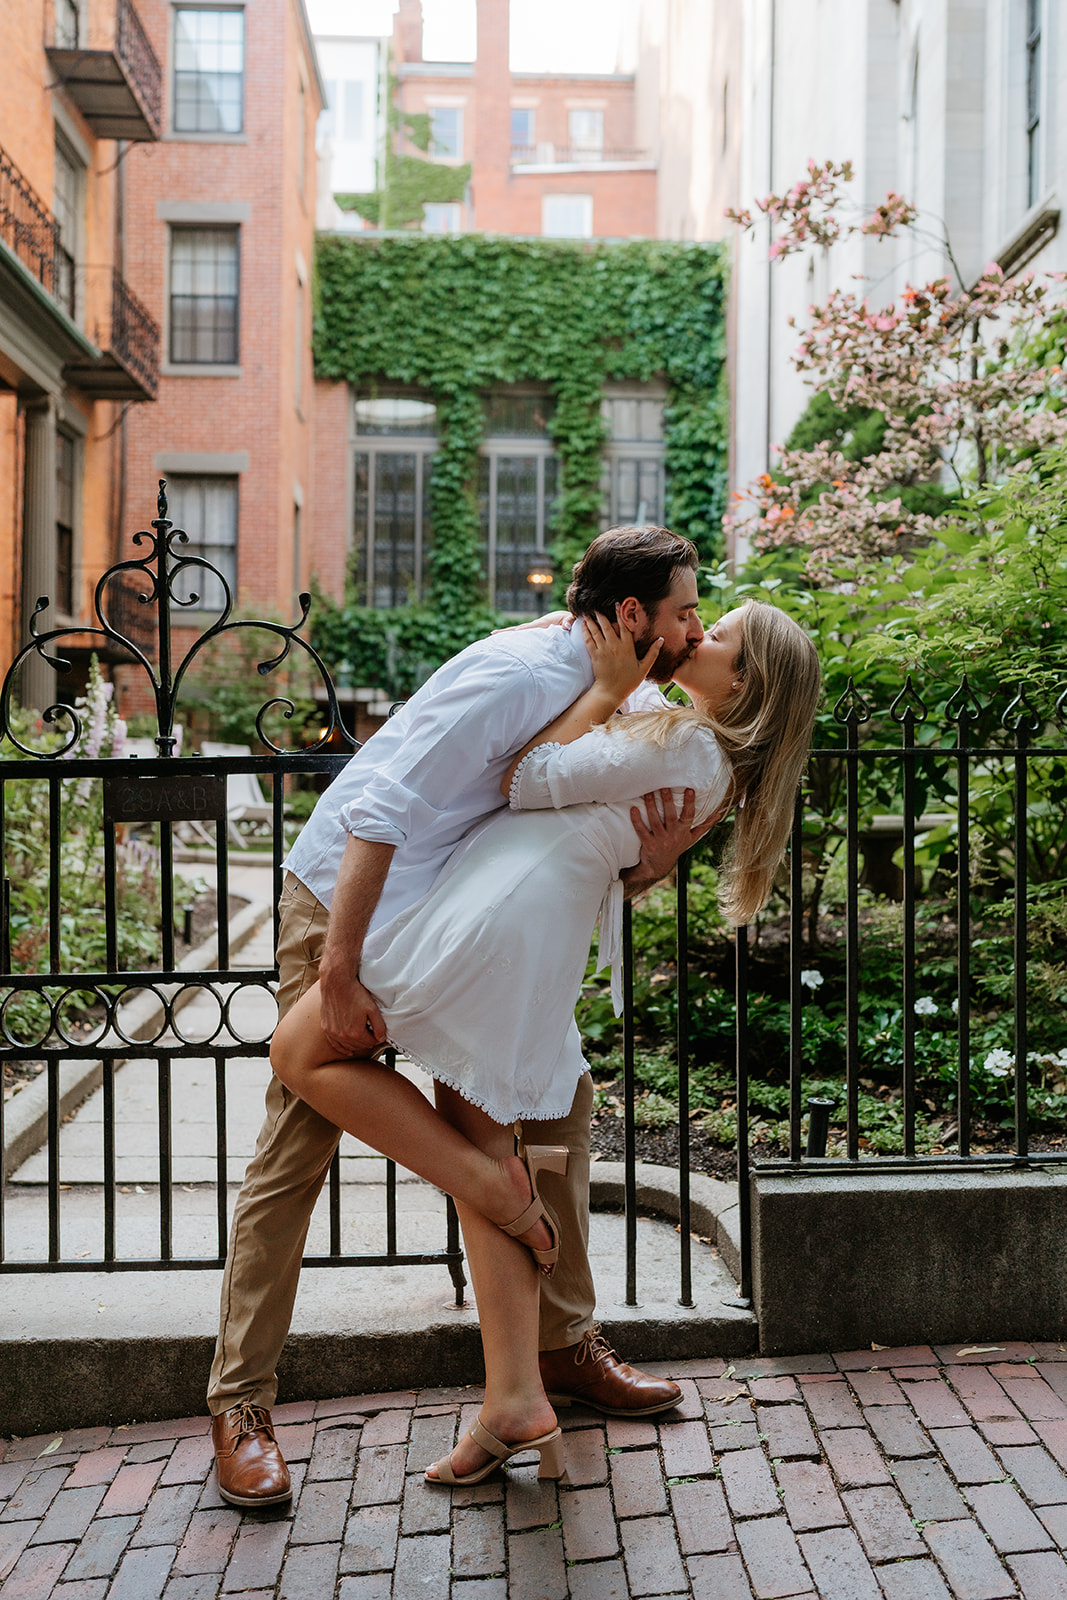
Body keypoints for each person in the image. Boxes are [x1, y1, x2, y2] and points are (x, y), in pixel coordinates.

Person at [209, 525, 717, 1507]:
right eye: (684, 610)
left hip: (458, 915)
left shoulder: (629, 692)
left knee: (553, 1107)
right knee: (297, 1142)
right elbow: (378, 807)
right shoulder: (518, 673)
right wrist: (342, 967)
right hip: (350, 900)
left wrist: (648, 860)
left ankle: (559, 1350)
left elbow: (580, 819)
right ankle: (240, 1403)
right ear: (628, 617)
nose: (695, 627)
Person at [270, 598, 821, 1484]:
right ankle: (515, 1397)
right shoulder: (690, 741)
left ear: (746, 679)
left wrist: (602, 692)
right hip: (513, 920)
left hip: (491, 924)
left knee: (303, 1057)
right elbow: (610, 833)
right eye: (694, 616)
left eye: (716, 634)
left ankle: (493, 1197)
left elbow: (526, 778)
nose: (695, 633)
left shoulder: (688, 746)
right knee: (483, 1128)